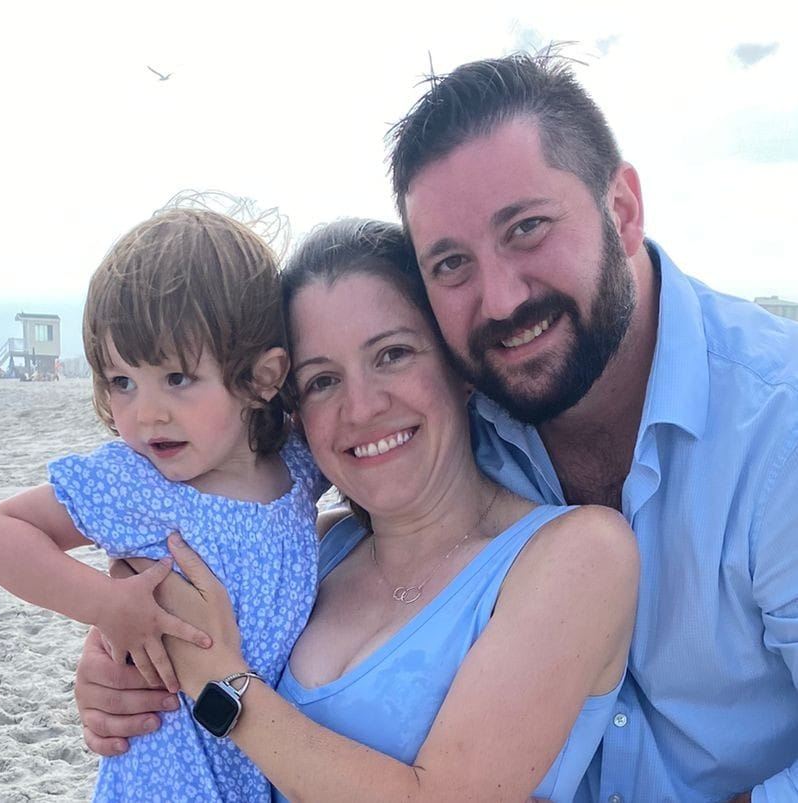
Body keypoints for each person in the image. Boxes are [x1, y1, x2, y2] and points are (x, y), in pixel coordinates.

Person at [77, 53, 798, 802]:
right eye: (452, 263)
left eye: (527, 227)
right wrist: (121, 664)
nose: (499, 297)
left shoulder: (775, 434)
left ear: (621, 211)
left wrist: (218, 687)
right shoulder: (339, 531)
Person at [79, 217, 638, 802]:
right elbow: (148, 624)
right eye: (321, 381)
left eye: (392, 354)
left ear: (460, 369)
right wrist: (116, 679)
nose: (362, 407)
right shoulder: (304, 554)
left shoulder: (576, 556)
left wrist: (217, 683)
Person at [0, 209, 323, 802]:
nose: (145, 414)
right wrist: (108, 605)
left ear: (262, 378)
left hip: (267, 758)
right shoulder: (139, 483)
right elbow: (2, 532)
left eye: (177, 377)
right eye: (121, 382)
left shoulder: (298, 464)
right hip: (166, 773)